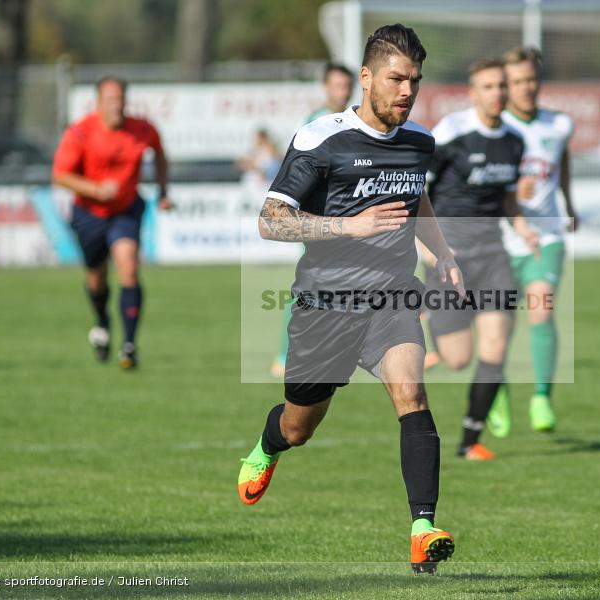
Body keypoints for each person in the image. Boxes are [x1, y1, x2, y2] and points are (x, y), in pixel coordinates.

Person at [238, 24, 464, 574]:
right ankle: (268, 444)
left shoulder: (420, 143)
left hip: (392, 298)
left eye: (414, 80)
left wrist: (442, 251)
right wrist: (350, 227)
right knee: (300, 426)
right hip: (324, 308)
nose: (406, 91)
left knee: (412, 395)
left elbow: (418, 199)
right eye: (395, 79)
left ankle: (422, 528)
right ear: (366, 78)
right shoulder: (320, 138)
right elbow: (271, 222)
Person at [424, 59, 538, 461]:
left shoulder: (515, 140)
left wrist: (523, 227)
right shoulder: (451, 134)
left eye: (501, 87)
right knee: (458, 360)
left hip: (493, 257)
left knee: (496, 346)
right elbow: (418, 195)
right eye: (488, 87)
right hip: (449, 259)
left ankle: (470, 442)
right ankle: (426, 313)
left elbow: (506, 198)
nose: (497, 94)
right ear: (473, 93)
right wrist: (428, 249)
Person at [486, 46, 578, 436]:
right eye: (517, 81)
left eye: (531, 79)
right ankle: (496, 394)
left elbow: (563, 161)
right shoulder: (494, 129)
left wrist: (570, 202)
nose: (526, 87)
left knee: (541, 308)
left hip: (546, 236)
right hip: (500, 241)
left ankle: (541, 396)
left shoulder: (558, 125)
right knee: (497, 330)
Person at [52, 76, 172, 369]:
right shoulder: (80, 133)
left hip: (126, 210)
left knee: (128, 269)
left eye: (120, 99)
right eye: (110, 99)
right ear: (98, 102)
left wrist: (163, 190)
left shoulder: (142, 129)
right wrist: (95, 189)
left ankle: (129, 346)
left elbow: (160, 155)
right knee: (96, 277)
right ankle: (102, 320)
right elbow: (59, 175)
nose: (116, 105)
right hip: (89, 213)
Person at [269, 62, 357, 378]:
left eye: (346, 86)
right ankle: (284, 353)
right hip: (317, 220)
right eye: (337, 86)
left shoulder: (352, 123)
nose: (342, 92)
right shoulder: (313, 124)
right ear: (326, 87)